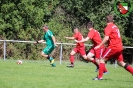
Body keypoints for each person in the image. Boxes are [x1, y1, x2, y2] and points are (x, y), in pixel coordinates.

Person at [93, 15, 133, 80]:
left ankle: (100, 77)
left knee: (101, 60)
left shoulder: (108, 27)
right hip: (119, 47)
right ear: (113, 21)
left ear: (106, 21)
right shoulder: (115, 27)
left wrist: (99, 45)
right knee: (121, 63)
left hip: (113, 47)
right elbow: (113, 37)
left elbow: (106, 38)